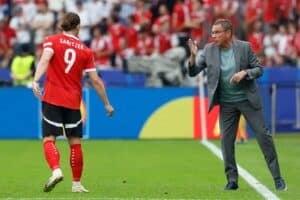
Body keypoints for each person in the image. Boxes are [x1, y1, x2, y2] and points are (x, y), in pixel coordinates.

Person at [187, 19, 287, 191]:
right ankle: (232, 180)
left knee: (264, 138)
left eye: (217, 32)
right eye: (212, 32)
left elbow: (259, 69)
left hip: (247, 100)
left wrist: (244, 73)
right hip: (226, 103)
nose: (213, 36)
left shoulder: (244, 47)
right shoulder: (209, 50)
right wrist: (193, 55)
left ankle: (277, 178)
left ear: (228, 33)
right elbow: (192, 72)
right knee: (226, 141)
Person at [32, 12, 114, 193]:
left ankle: (56, 170)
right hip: (73, 101)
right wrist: (107, 104)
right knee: (75, 142)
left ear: (63, 26)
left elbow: (45, 59)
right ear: (78, 27)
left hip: (52, 97)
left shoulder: (51, 40)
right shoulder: (86, 51)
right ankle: (76, 184)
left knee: (49, 138)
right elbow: (96, 81)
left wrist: (36, 80)